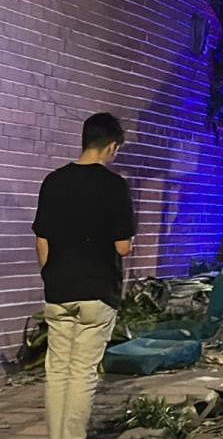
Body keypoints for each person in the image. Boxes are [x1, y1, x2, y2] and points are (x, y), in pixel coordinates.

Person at [34, 113, 135, 439]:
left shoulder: (53, 182)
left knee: (58, 370)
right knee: (82, 373)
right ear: (111, 147)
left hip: (59, 289)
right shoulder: (114, 186)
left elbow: (42, 239)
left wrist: (50, 276)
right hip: (97, 290)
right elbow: (122, 247)